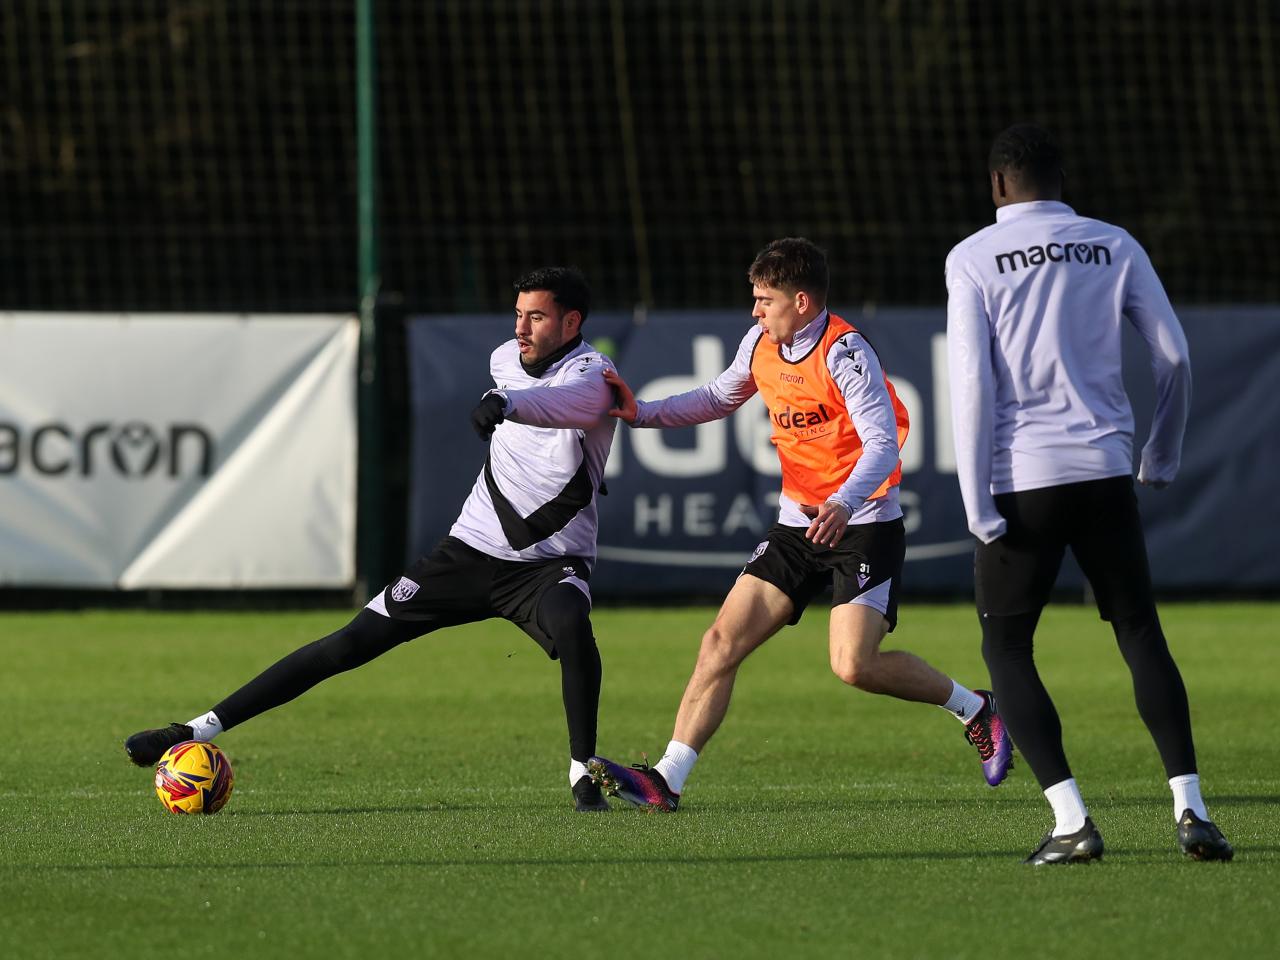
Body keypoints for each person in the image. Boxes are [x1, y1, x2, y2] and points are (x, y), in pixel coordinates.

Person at [125, 266, 620, 812]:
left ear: (572, 321)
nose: (522, 327)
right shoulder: (505, 358)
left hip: (549, 565)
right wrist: (505, 396)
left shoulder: (593, 373)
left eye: (538, 316)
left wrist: (507, 404)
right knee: (348, 643)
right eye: (519, 313)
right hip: (470, 551)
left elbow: (574, 404)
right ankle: (192, 730)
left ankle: (583, 774)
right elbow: (522, 382)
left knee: (573, 625)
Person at [589, 237, 1012, 811]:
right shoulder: (762, 343)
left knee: (852, 666)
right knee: (719, 642)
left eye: (766, 300)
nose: (756, 311)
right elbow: (719, 395)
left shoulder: (846, 353)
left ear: (803, 302)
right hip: (796, 527)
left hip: (862, 525)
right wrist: (643, 414)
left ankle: (976, 708)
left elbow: (883, 447)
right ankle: (667, 780)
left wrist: (841, 503)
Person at [945, 123, 1233, 864]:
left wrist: (975, 496)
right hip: (1105, 471)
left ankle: (1073, 822)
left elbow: (972, 381)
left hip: (1021, 481)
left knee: (1006, 646)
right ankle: (1193, 811)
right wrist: (1160, 453)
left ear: (999, 185)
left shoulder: (974, 256)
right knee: (1139, 633)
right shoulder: (1113, 242)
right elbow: (1173, 354)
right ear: (1059, 180)